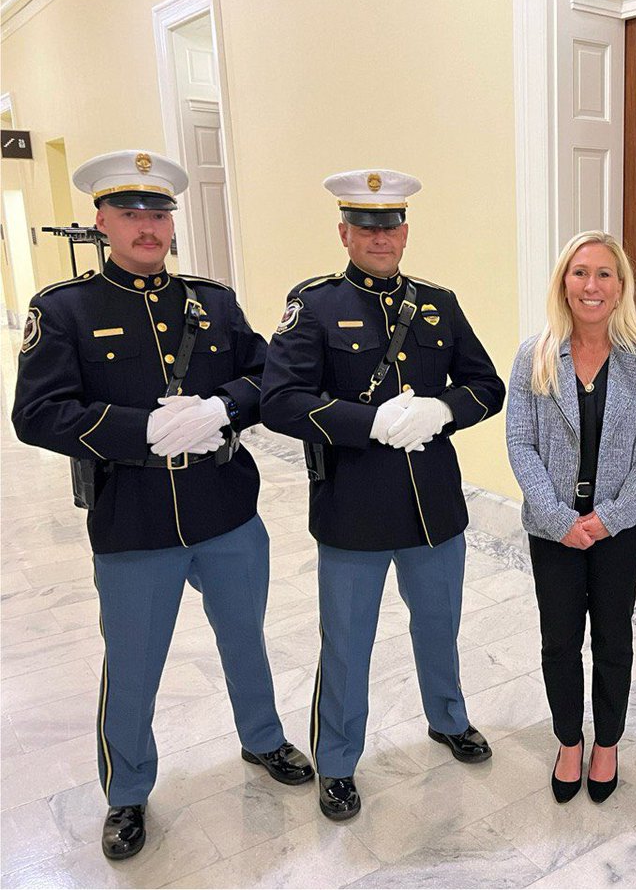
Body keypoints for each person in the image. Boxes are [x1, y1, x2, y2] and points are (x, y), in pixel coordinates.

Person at [11, 150, 312, 861]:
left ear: (172, 223)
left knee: (245, 636)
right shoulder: (64, 310)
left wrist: (223, 405)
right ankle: (127, 789)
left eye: (158, 213)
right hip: (134, 519)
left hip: (227, 507)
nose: (147, 226)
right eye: (131, 213)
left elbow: (266, 372)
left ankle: (263, 739)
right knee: (135, 660)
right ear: (102, 220)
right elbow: (36, 413)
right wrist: (137, 431)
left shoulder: (212, 300)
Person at [259, 169, 505, 821]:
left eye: (390, 224)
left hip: (434, 507)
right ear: (344, 231)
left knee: (438, 626)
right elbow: (279, 400)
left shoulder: (437, 303)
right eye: (365, 225)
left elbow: (487, 385)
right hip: (352, 506)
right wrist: (366, 422)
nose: (380, 236)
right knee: (346, 641)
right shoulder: (312, 305)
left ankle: (447, 718)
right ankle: (336, 761)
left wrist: (440, 411)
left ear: (404, 230)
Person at [506, 231, 636, 804]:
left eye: (604, 274)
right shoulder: (534, 355)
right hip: (553, 529)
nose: (591, 286)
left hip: (617, 530)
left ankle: (608, 743)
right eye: (580, 273)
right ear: (563, 282)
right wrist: (559, 519)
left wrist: (611, 517)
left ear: (620, 286)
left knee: (613, 637)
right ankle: (569, 741)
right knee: (559, 640)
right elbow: (520, 443)